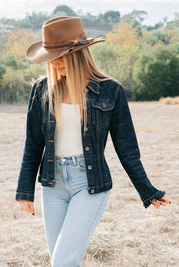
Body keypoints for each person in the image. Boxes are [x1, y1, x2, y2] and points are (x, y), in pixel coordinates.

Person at [15, 16, 171, 267]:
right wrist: (25, 192)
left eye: (60, 56)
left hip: (89, 184)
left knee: (63, 262)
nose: (54, 64)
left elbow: (128, 150)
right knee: (61, 262)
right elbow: (33, 145)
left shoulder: (111, 90)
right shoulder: (42, 89)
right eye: (50, 57)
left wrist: (148, 191)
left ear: (77, 54)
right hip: (52, 185)